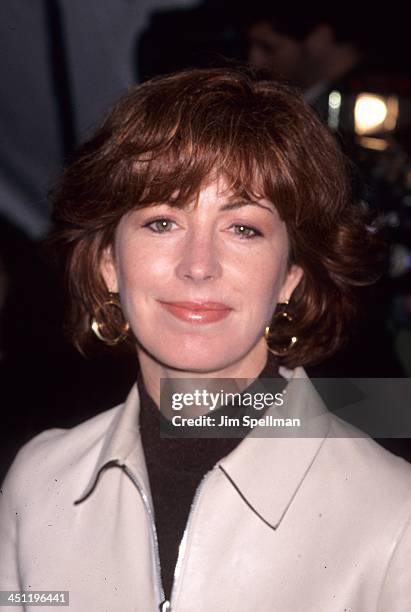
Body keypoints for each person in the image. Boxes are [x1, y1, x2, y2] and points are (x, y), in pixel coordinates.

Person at [1, 67, 411, 611]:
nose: (199, 266)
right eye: (162, 222)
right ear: (108, 264)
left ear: (291, 275)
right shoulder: (37, 484)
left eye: (243, 228)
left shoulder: (394, 516)